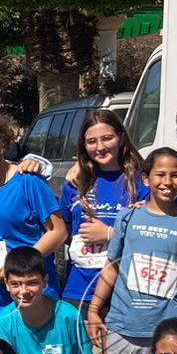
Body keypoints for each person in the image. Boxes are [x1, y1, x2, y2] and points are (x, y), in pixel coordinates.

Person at [83, 147, 177, 354]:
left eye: (175, 175)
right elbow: (112, 266)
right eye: (160, 174)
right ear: (146, 179)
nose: (167, 182)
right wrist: (94, 308)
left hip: (172, 330)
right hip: (124, 329)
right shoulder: (128, 217)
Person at [0, 114, 64, 345]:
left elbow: (58, 231)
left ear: (1, 147)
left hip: (30, 293)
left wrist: (16, 266)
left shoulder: (28, 182)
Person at [59, 108, 145, 323]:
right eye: (91, 141)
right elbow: (64, 232)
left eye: (107, 138)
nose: (100, 147)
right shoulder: (74, 183)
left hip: (124, 291)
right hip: (78, 291)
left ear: (121, 138)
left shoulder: (141, 181)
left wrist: (109, 233)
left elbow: (151, 236)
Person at [0, 245, 93, 354]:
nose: (24, 291)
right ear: (6, 283)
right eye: (16, 284)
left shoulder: (69, 315)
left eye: (32, 283)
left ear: (45, 282)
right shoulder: (3, 321)